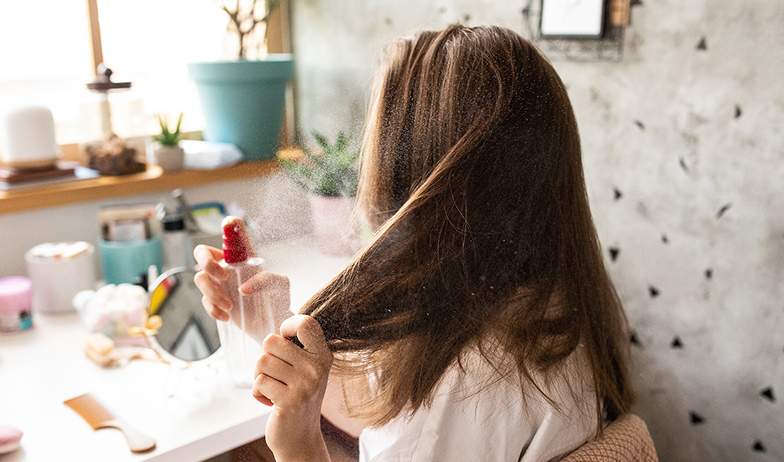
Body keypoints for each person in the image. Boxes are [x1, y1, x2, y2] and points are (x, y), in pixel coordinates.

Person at [194, 24, 635, 462]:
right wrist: (267, 323)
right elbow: (393, 410)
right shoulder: (543, 309)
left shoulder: (468, 378)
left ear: (416, 171)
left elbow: (424, 418)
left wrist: (299, 447)